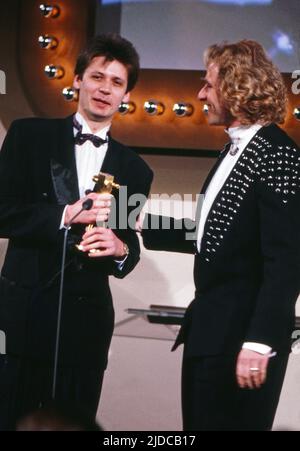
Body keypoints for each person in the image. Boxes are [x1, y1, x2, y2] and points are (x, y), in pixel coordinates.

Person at [139, 40, 300, 430]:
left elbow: (287, 259)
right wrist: (134, 218)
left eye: (207, 84)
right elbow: (216, 233)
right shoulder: (234, 152)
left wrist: (259, 342)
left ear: (235, 87)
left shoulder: (276, 153)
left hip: (241, 340)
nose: (200, 94)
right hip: (211, 334)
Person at [0, 33, 153, 430]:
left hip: (84, 329)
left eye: (117, 82)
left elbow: (129, 244)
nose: (105, 88)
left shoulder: (135, 168)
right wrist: (64, 215)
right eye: (97, 76)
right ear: (77, 80)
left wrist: (120, 247)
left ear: (126, 95)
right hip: (21, 318)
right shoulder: (27, 136)